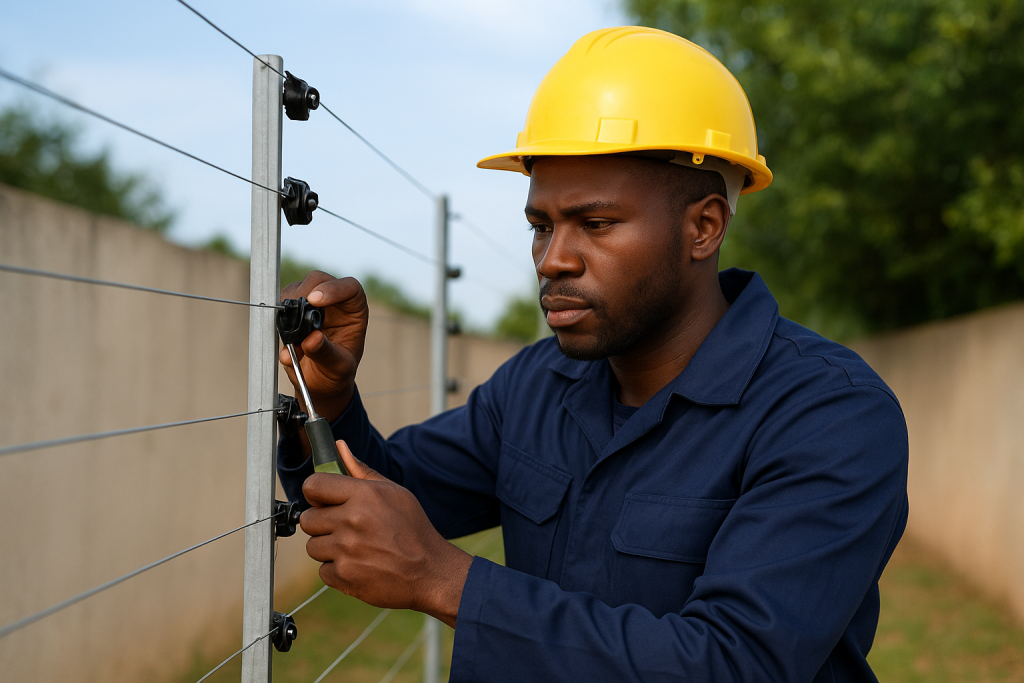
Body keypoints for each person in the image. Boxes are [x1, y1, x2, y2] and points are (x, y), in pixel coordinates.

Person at [277, 26, 909, 682]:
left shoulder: (830, 415)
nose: (553, 260)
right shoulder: (538, 383)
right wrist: (325, 399)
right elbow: (377, 510)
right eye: (541, 226)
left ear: (704, 226)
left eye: (596, 224)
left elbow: (735, 662)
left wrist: (447, 581)